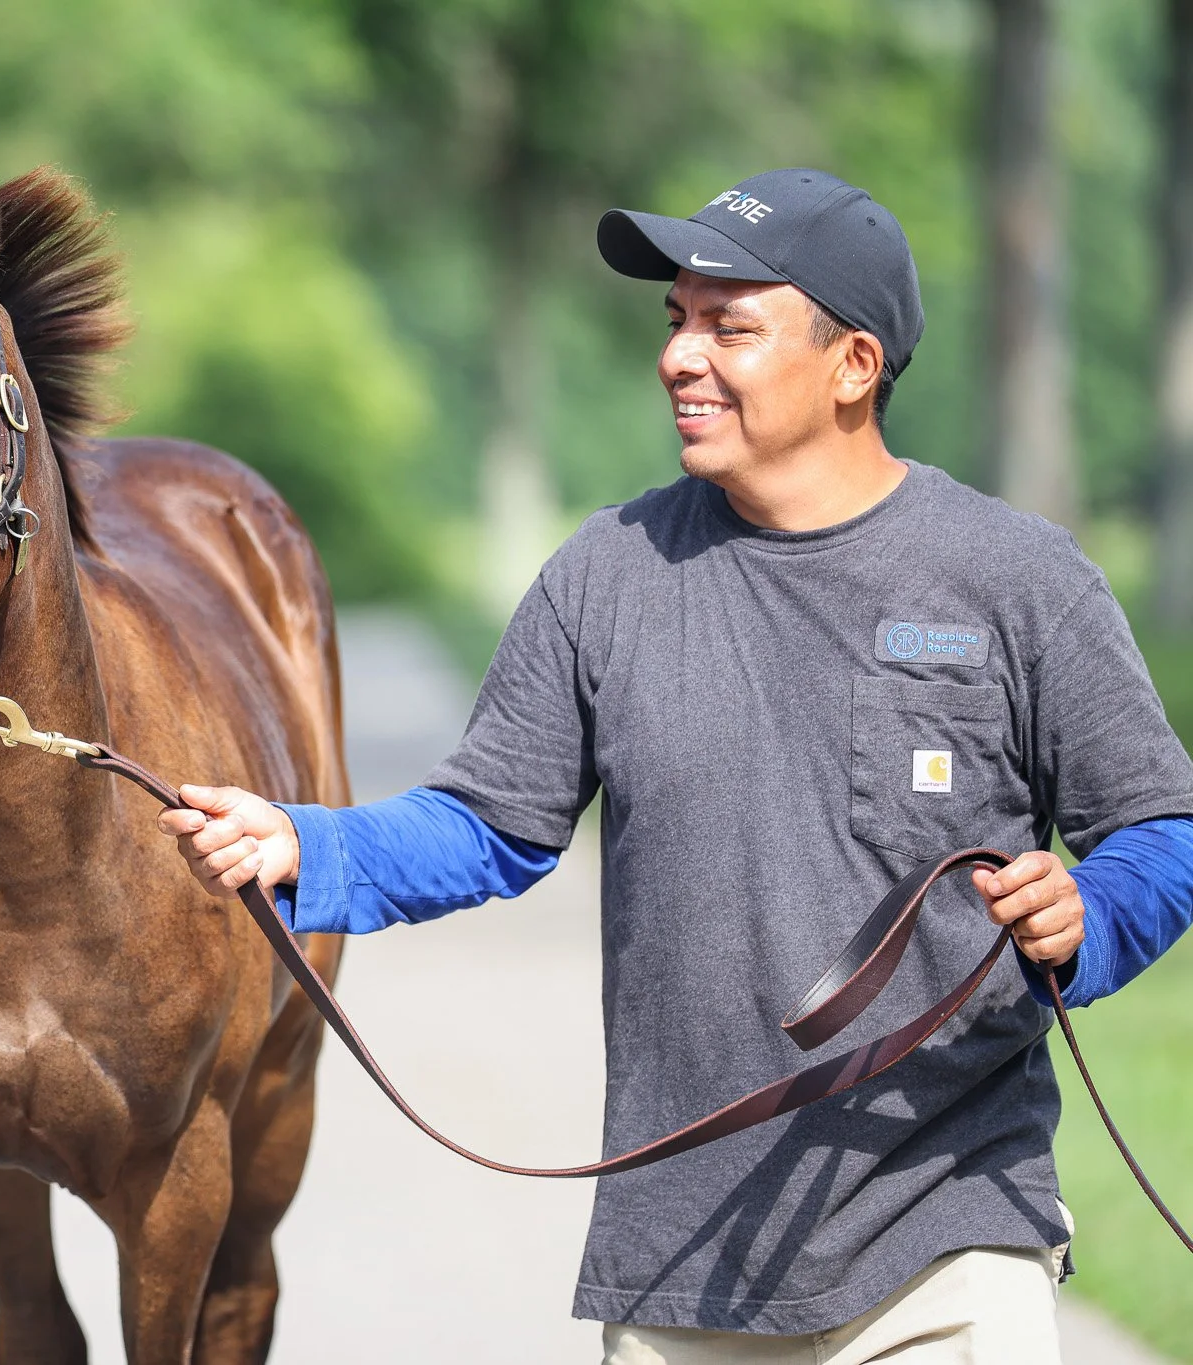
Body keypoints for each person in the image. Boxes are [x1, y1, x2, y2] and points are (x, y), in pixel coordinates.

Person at [157, 168, 1193, 1364]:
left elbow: (1163, 830)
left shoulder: (1017, 579)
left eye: (729, 327)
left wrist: (1091, 913)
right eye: (676, 321)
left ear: (852, 365)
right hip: (678, 1258)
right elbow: (492, 822)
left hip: (948, 1235)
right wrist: (309, 843)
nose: (680, 358)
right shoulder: (604, 574)